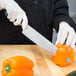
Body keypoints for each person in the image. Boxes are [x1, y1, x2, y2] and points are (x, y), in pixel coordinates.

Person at [0, 0, 76, 48]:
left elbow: (59, 10)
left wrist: (63, 23)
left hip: (42, 54)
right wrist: (3, 2)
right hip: (5, 50)